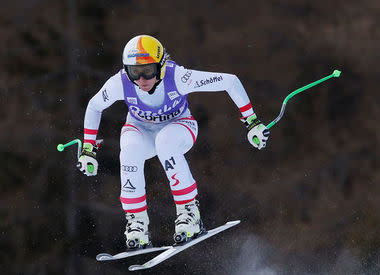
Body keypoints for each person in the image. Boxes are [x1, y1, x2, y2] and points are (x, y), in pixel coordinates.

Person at [77, 35, 270, 249]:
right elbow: (95, 106)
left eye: (148, 71)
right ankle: (137, 223)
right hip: (141, 130)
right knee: (129, 150)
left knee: (165, 142)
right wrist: (88, 148)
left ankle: (190, 214)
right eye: (134, 72)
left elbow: (230, 81)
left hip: (180, 128)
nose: (141, 79)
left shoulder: (178, 77)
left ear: (160, 66)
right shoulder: (119, 83)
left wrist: (252, 122)